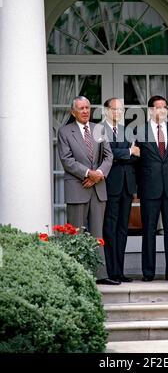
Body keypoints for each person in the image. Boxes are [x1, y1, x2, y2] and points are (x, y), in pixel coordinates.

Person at [57, 96, 113, 282]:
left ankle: (100, 275)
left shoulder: (99, 129)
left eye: (87, 108)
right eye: (81, 108)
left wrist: (98, 174)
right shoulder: (65, 132)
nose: (85, 111)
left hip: (98, 189)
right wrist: (89, 173)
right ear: (73, 112)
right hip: (77, 188)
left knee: (98, 234)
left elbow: (108, 157)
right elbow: (67, 160)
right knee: (76, 234)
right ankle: (78, 277)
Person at [137, 95, 168, 282]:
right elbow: (136, 162)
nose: (162, 110)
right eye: (158, 107)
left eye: (165, 107)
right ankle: (148, 272)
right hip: (149, 188)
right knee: (149, 230)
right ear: (151, 110)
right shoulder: (139, 131)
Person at [102, 97, 140, 285]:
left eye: (121, 110)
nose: (118, 113)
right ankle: (110, 271)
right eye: (114, 109)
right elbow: (106, 154)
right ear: (106, 111)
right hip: (110, 185)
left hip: (127, 185)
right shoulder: (99, 130)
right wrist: (127, 152)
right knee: (110, 228)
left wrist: (125, 154)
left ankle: (120, 271)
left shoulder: (127, 130)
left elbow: (137, 155)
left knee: (122, 229)